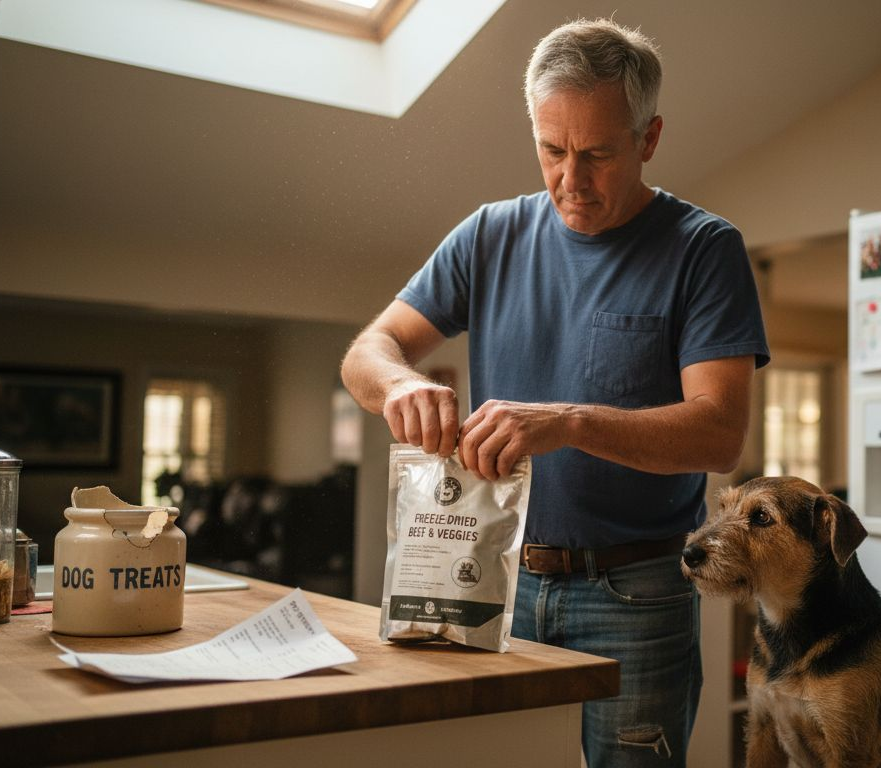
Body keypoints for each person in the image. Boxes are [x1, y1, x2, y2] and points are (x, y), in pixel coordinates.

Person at [339, 19, 769, 766]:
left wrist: (569, 421)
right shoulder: (488, 235)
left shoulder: (704, 249)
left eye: (598, 154)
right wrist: (401, 383)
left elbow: (719, 433)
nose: (571, 180)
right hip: (489, 577)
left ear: (649, 137)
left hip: (636, 595)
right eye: (552, 150)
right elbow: (367, 353)